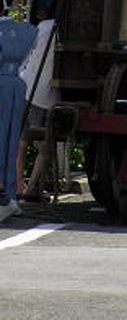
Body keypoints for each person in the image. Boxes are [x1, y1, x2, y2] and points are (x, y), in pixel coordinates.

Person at [16, 18, 58, 201]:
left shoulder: (44, 26)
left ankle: (19, 185)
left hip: (28, 86)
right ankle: (32, 187)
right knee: (46, 144)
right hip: (49, 95)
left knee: (21, 140)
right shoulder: (68, 31)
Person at [0, 17, 37, 222]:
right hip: (17, 84)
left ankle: (3, 195)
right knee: (11, 140)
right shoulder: (27, 31)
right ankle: (10, 193)